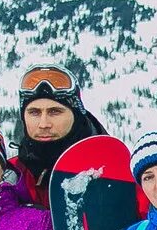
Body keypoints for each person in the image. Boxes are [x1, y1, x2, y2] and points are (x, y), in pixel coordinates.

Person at [10, 65, 109, 197]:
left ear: (76, 115)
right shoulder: (12, 175)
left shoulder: (114, 169)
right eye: (34, 112)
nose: (44, 124)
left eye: (55, 112)